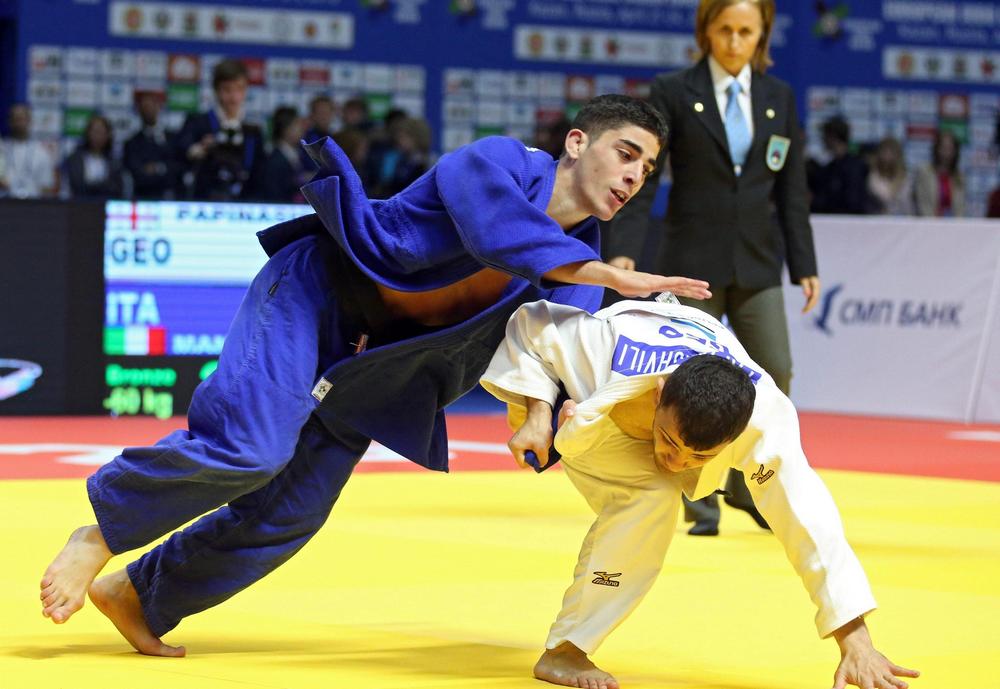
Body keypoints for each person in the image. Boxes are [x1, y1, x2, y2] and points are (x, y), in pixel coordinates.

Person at [38, 95, 711, 657]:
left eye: (647, 169)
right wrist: (611, 273)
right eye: (625, 152)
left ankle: (139, 594)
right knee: (253, 446)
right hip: (315, 293)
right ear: (576, 141)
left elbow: (543, 357)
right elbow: (496, 233)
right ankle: (99, 530)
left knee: (291, 513)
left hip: (375, 367)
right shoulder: (499, 162)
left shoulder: (579, 282)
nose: (633, 176)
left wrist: (540, 414)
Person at [480, 297, 921, 689]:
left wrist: (856, 641)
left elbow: (807, 521)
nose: (676, 461)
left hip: (684, 366)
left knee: (684, 490)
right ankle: (566, 650)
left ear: (731, 443)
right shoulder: (597, 347)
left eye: (697, 455)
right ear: (659, 394)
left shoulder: (765, 419)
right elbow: (530, 322)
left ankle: (567, 644)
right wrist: (538, 411)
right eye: (671, 443)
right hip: (604, 411)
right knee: (650, 497)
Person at [607, 0, 820, 536]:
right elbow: (646, 176)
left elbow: (792, 188)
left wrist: (805, 263)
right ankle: (699, 502)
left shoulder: (779, 98)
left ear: (761, 35)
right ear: (706, 31)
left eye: (746, 31)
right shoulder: (675, 91)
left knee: (776, 370)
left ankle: (754, 490)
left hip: (757, 257)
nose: (734, 41)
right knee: (689, 379)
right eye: (724, 29)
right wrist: (625, 248)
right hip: (691, 257)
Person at [175, 58, 265, 200]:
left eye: (240, 89)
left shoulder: (253, 131)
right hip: (204, 199)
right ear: (216, 90)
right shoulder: (197, 123)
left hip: (242, 204)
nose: (234, 97)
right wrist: (200, 149)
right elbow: (180, 155)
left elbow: (258, 174)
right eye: (227, 89)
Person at [123, 90, 179, 200]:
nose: (148, 110)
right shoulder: (132, 143)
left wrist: (157, 168)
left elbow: (176, 169)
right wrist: (162, 170)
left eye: (151, 106)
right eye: (144, 107)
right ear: (138, 110)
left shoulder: (172, 138)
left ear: (159, 107)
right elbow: (137, 174)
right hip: (142, 197)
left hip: (169, 197)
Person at [811, 115, 869, 215]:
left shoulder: (855, 167)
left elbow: (853, 203)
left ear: (832, 137)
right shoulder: (828, 168)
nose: (822, 139)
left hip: (850, 223)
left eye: (824, 136)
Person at [0, 103, 58, 198]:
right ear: (9, 122)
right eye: (15, 119)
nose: (18, 123)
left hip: (33, 206)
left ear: (30, 121)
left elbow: (47, 187)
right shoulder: (1, 149)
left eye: (22, 119)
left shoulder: (41, 153)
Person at [63, 114, 126, 199]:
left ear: (108, 135)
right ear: (87, 133)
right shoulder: (75, 159)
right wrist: (103, 186)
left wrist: (91, 185)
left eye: (101, 132)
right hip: (79, 206)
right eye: (95, 131)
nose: (97, 136)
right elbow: (77, 185)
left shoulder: (114, 162)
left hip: (106, 206)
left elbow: (116, 188)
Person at [256, 105, 310, 203]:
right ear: (286, 128)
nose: (302, 129)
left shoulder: (292, 155)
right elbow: (274, 196)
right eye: (297, 124)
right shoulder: (275, 161)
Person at [913, 129, 965, 217]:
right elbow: (922, 204)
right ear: (936, 148)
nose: (946, 152)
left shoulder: (959, 176)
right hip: (928, 223)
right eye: (943, 147)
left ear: (955, 151)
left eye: (950, 148)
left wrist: (957, 226)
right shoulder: (924, 172)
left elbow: (960, 208)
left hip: (953, 226)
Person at [866, 136, 913, 215]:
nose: (887, 156)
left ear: (898, 155)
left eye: (891, 152)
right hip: (878, 219)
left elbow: (908, 204)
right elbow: (883, 197)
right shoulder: (872, 177)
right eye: (884, 152)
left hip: (904, 220)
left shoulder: (907, 178)